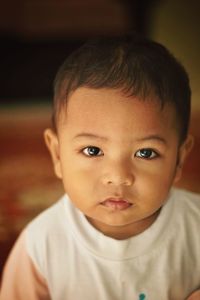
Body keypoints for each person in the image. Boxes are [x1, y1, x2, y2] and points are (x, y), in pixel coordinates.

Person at [0, 34, 200, 300]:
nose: (118, 176)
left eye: (146, 152)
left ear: (179, 158)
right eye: (93, 151)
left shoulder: (195, 229)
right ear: (57, 153)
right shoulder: (41, 244)